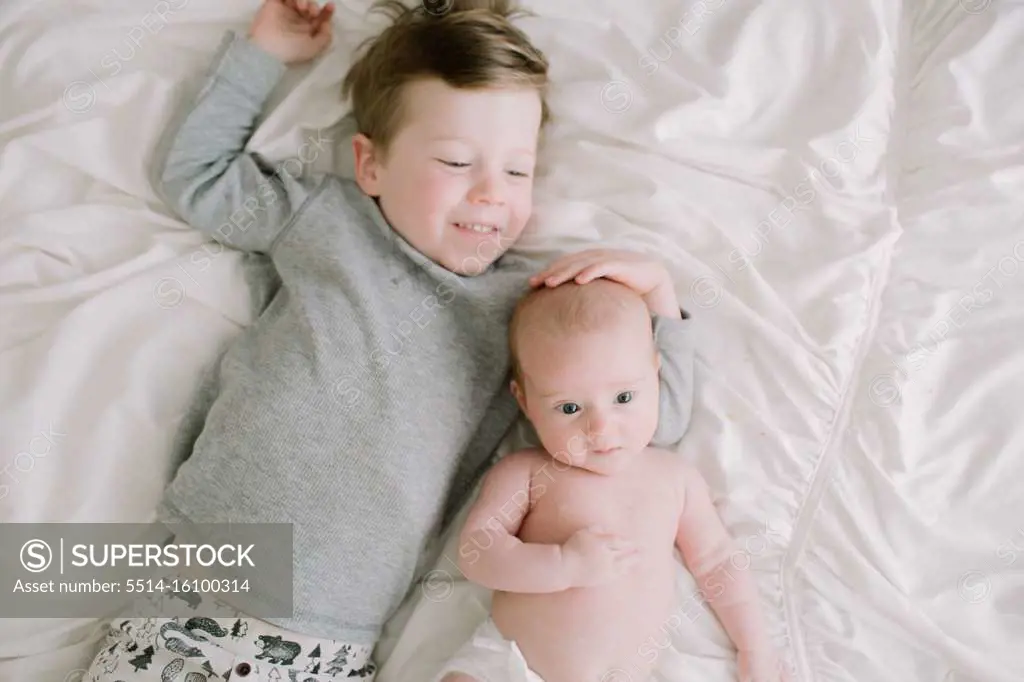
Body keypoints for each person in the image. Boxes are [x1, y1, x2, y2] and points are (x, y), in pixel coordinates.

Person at [82, 0, 695, 680]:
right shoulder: (326, 222)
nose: (492, 194)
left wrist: (660, 298)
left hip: (334, 643)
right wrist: (263, 55)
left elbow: (639, 424)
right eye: (458, 163)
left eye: (517, 171)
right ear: (370, 166)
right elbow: (196, 176)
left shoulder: (526, 312)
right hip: (192, 597)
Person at [437, 280, 786, 682]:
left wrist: (754, 647)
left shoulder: (675, 479)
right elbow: (477, 553)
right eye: (569, 407)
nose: (600, 428)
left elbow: (717, 561)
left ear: (655, 374)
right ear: (525, 401)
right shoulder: (528, 472)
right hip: (509, 663)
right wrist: (564, 565)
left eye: (623, 398)